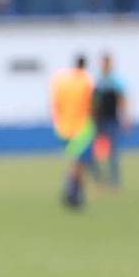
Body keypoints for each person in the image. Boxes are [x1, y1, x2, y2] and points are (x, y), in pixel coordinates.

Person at [50, 54, 96, 209]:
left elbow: (56, 102)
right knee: (80, 162)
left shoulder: (63, 81)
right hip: (82, 127)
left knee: (77, 161)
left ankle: (75, 192)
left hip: (64, 127)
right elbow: (91, 103)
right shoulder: (86, 81)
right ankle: (73, 191)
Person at [92, 52, 128, 187]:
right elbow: (94, 102)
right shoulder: (99, 81)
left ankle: (114, 181)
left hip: (112, 120)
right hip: (99, 121)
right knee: (94, 152)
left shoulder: (116, 80)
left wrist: (125, 116)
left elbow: (122, 99)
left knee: (113, 152)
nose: (105, 65)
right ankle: (99, 179)